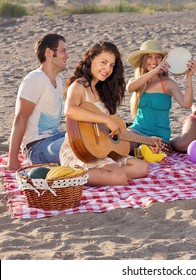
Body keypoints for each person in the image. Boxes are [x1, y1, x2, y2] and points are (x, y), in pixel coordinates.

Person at [60, 42, 153, 186]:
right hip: (79, 149)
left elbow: (109, 132)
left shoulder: (101, 90)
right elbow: (70, 110)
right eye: (103, 62)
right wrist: (105, 120)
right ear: (90, 59)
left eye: (111, 65)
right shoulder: (79, 85)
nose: (107, 69)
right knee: (119, 178)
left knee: (142, 167)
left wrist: (148, 141)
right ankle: (73, 175)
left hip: (100, 148)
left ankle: (107, 175)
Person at [7, 33, 69, 171]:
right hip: (37, 148)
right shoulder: (34, 79)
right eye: (63, 50)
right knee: (76, 147)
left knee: (85, 138)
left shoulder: (58, 81)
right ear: (48, 52)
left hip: (54, 138)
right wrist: (12, 161)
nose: (67, 55)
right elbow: (20, 119)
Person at [126, 40, 196, 144]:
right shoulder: (137, 81)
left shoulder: (168, 84)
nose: (154, 61)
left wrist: (189, 77)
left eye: (158, 57)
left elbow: (186, 104)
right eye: (149, 57)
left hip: (158, 137)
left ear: (163, 60)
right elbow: (129, 88)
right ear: (143, 61)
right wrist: (154, 72)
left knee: (145, 150)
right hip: (137, 131)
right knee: (123, 142)